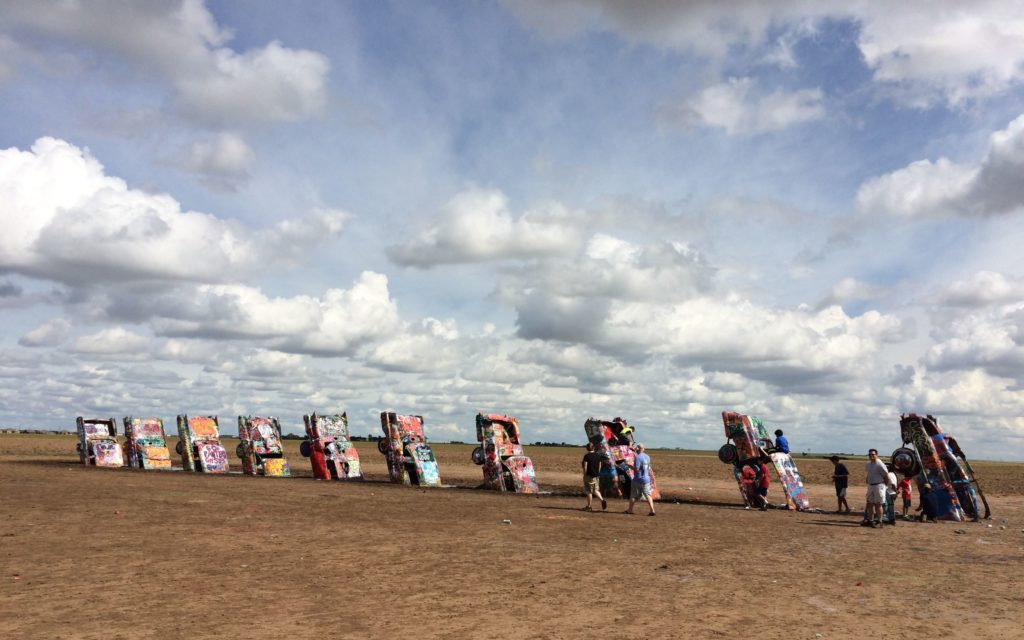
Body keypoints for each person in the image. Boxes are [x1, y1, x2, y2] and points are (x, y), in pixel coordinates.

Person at [862, 449, 893, 528]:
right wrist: (868, 480)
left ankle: (880, 521)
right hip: (871, 486)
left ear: (876, 455)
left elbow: (886, 476)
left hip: (879, 486)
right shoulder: (869, 464)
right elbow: (869, 473)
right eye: (870, 455)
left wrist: (884, 486)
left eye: (873, 454)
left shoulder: (880, 464)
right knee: (869, 504)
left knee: (878, 505)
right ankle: (871, 520)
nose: (871, 456)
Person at [624, 443, 656, 516]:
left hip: (638, 479)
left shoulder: (638, 457)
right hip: (646, 479)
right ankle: (652, 510)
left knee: (633, 495)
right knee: (648, 495)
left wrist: (628, 465)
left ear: (637, 449)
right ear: (643, 449)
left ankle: (630, 510)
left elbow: (636, 469)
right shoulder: (647, 457)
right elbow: (648, 468)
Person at [581, 442, 606, 511]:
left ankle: (589, 506)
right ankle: (602, 499)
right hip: (596, 475)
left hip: (589, 475)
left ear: (587, 448)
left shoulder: (587, 456)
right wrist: (598, 473)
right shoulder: (598, 456)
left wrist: (584, 475)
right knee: (595, 490)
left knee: (588, 491)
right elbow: (600, 465)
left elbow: (585, 466)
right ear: (593, 448)